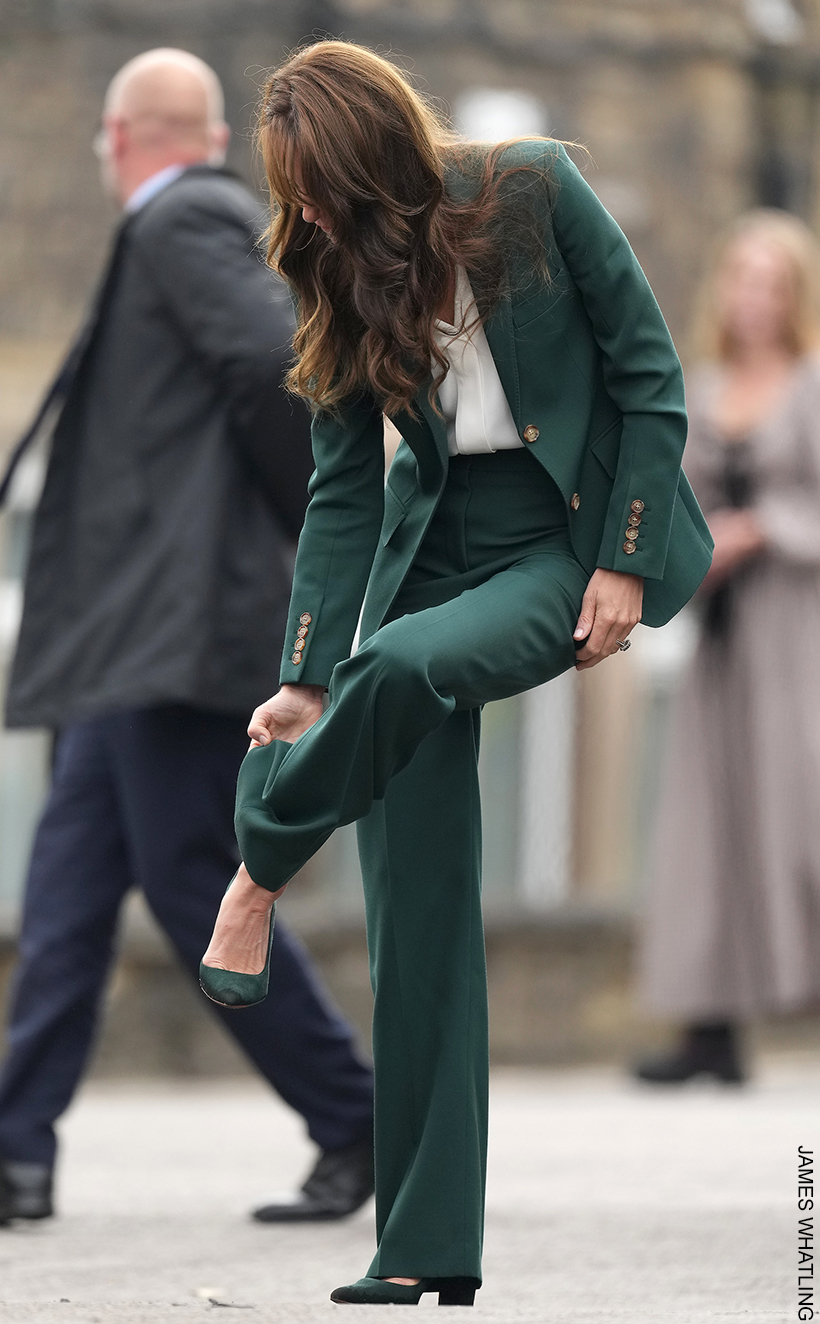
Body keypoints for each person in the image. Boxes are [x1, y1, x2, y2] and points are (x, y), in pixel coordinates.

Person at [200, 41, 712, 1307]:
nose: (305, 210)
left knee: (416, 661)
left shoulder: (532, 192)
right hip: (431, 547)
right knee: (415, 913)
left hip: (562, 539)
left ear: (371, 149)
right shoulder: (330, 259)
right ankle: (423, 1244)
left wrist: (628, 561)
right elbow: (341, 485)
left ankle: (257, 864)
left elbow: (648, 374)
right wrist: (309, 677)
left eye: (317, 181)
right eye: (292, 191)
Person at [0, 49, 374, 1228]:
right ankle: (15, 1152)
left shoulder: (183, 223)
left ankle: (365, 1118)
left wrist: (296, 535)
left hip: (169, 638)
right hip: (128, 644)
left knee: (195, 885)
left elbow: (280, 374)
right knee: (64, 899)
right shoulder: (190, 220)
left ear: (117, 139)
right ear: (202, 133)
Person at [635, 210, 820, 1085]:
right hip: (722, 638)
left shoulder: (814, 384)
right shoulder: (702, 390)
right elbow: (679, 506)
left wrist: (763, 529)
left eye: (771, 283)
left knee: (800, 813)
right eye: (742, 279)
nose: (753, 299)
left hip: (799, 631)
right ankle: (710, 1029)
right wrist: (693, 553)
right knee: (709, 824)